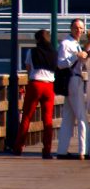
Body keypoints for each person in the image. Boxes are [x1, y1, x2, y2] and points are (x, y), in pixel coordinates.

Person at [13, 29, 56, 158]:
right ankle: (47, 150)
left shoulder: (32, 52)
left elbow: (28, 68)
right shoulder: (54, 53)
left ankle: (18, 147)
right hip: (49, 86)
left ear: (37, 40)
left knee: (27, 116)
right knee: (47, 120)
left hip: (35, 84)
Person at [56, 19, 89, 159]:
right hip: (72, 79)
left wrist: (84, 52)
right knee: (82, 116)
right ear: (71, 28)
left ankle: (62, 151)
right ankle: (84, 150)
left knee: (68, 117)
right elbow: (60, 64)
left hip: (75, 79)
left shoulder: (76, 44)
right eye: (76, 28)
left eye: (81, 28)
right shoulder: (66, 44)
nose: (79, 30)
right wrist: (76, 56)